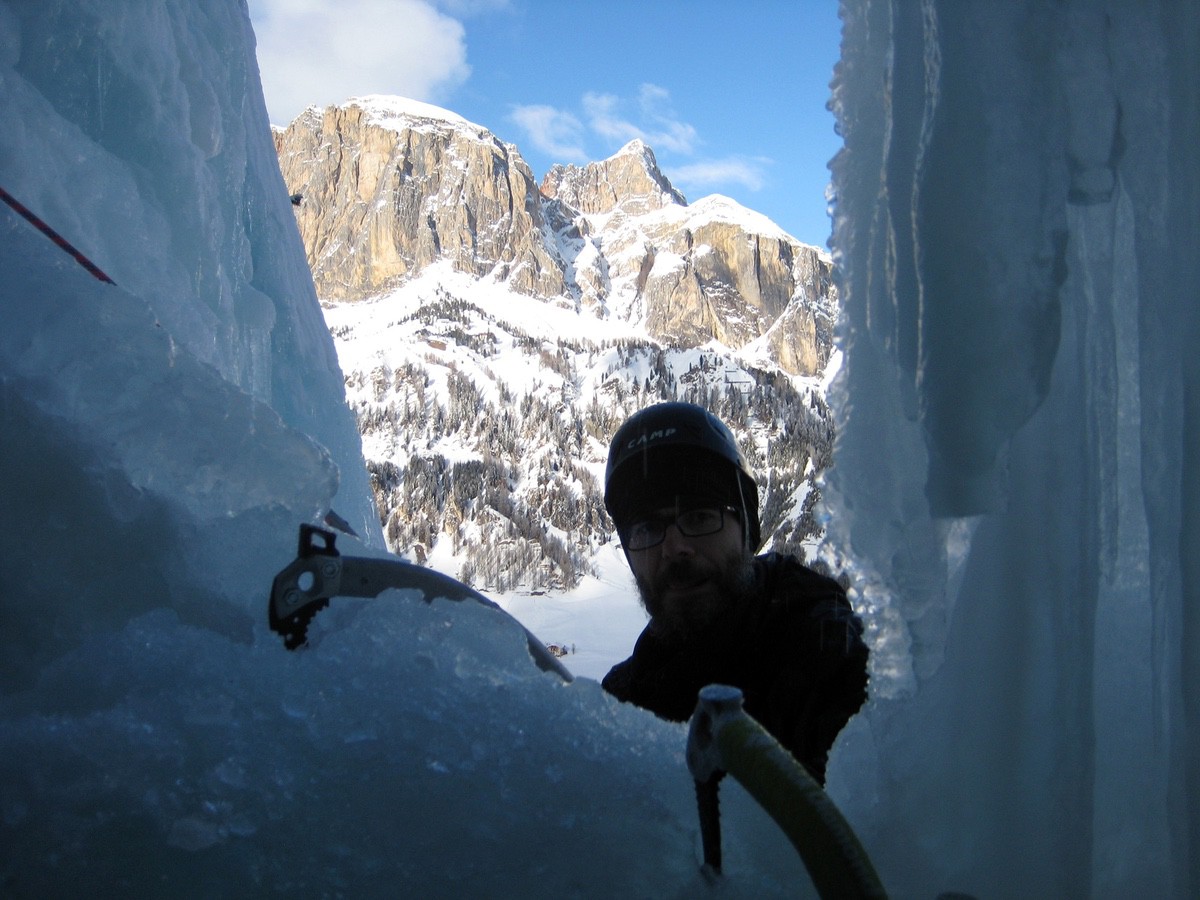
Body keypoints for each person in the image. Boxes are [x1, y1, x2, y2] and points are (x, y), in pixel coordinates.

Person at [600, 401, 869, 785]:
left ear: (745, 528)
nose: (674, 548)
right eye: (645, 528)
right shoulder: (626, 698)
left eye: (698, 516)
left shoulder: (824, 650)